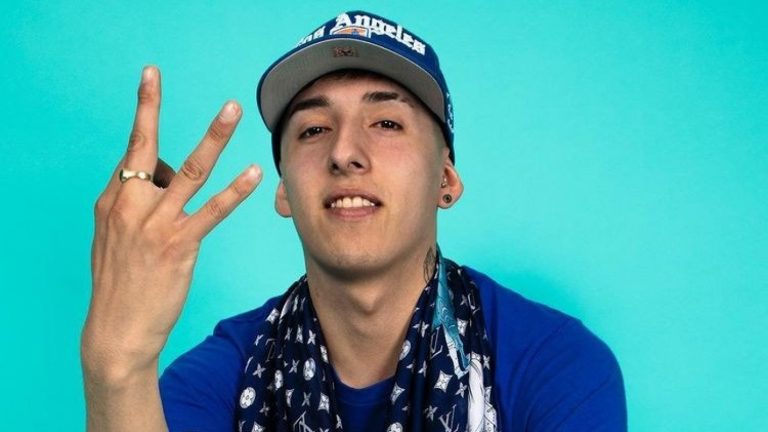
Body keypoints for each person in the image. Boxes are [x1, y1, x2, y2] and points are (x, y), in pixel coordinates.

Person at [81, 10, 627, 432]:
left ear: (446, 179)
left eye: (386, 122)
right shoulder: (221, 378)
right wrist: (118, 365)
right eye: (314, 130)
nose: (344, 153)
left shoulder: (556, 364)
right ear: (284, 191)